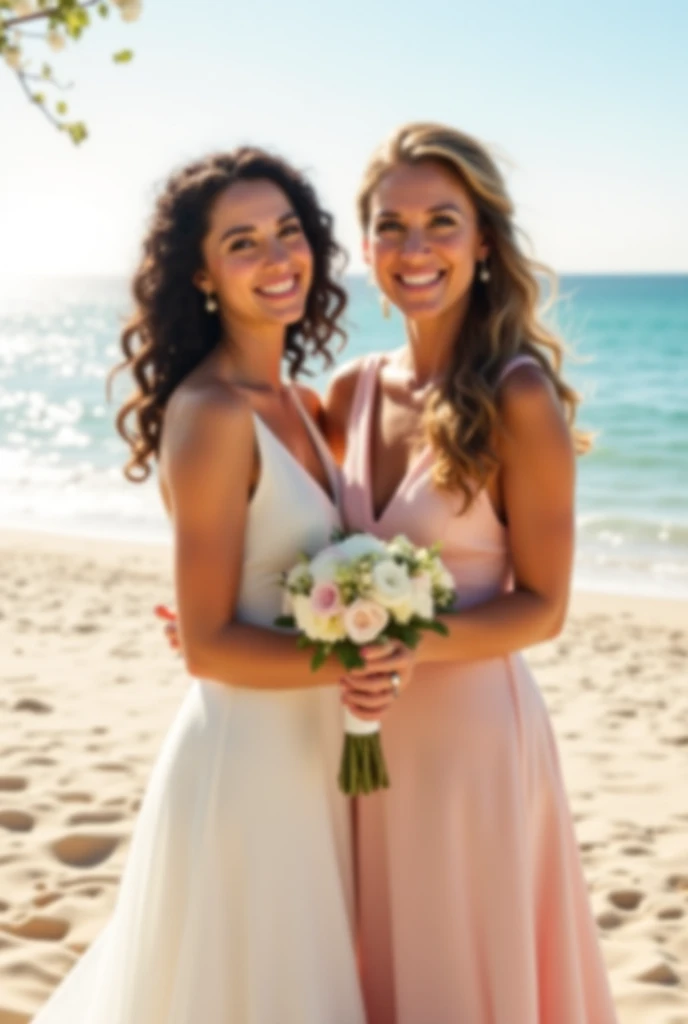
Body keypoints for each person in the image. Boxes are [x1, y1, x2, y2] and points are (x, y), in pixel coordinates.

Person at [32, 147, 411, 1024]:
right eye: (243, 243)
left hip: (315, 752)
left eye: (288, 232)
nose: (278, 259)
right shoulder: (209, 414)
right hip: (248, 760)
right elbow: (206, 643)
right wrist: (351, 663)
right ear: (202, 276)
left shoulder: (301, 405)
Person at [326, 122, 618, 1024]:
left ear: (484, 240)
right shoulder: (349, 392)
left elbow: (544, 608)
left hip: (471, 745)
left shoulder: (519, 395)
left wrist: (410, 648)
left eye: (441, 222)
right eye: (391, 225)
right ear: (366, 243)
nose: (415, 249)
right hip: (354, 745)